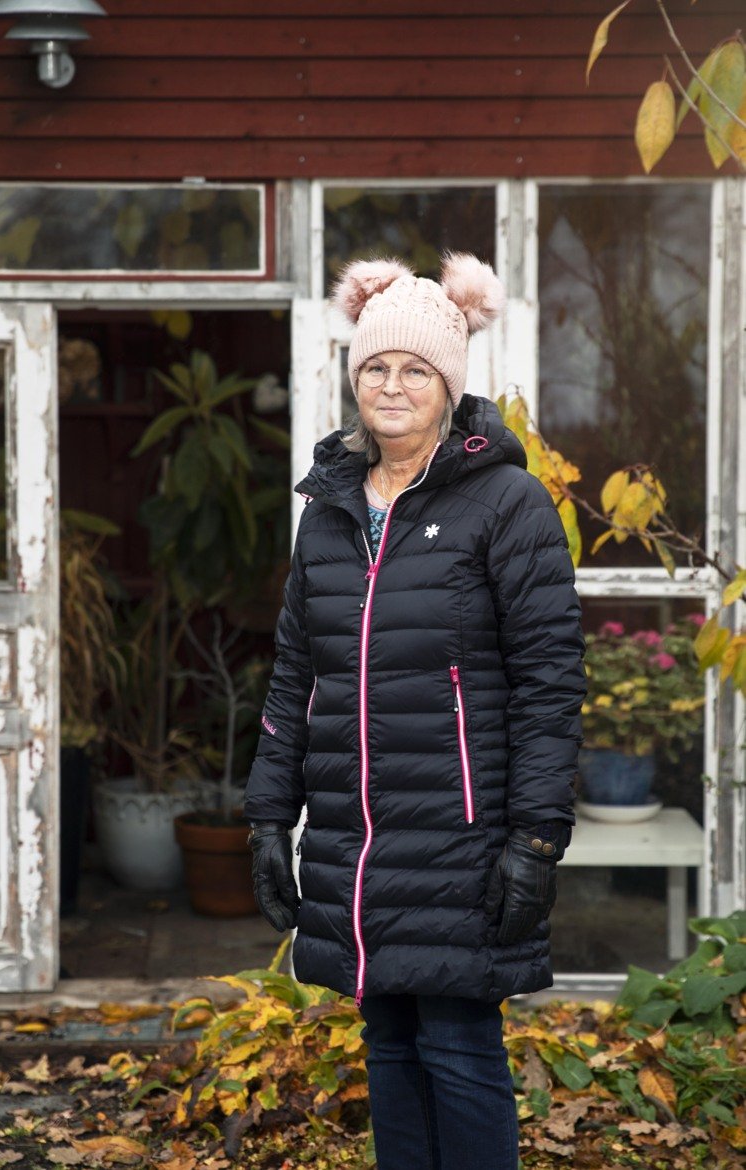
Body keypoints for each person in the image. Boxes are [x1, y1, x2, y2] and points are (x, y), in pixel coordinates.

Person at [244, 253, 587, 1170]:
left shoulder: (506, 504)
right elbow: (295, 677)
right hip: (357, 837)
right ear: (354, 380)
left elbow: (550, 682)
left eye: (415, 370)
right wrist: (269, 817)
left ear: (450, 386)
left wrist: (536, 839)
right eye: (375, 367)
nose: (392, 386)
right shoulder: (327, 512)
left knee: (458, 1047)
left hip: (462, 835)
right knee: (389, 1042)